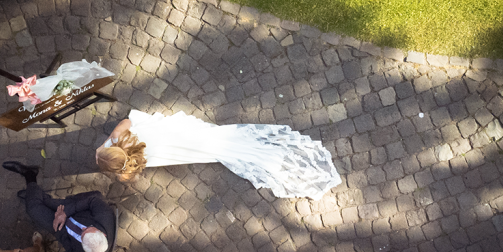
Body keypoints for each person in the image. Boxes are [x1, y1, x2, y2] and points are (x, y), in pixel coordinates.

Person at [94, 110, 342, 199]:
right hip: (176, 135)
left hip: (176, 146)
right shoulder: (119, 137)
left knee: (215, 146)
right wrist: (107, 143)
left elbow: (128, 178)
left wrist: (114, 166)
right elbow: (127, 120)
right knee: (214, 138)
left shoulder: (129, 168)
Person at [2, 162, 116, 252]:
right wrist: (65, 213)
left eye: (82, 235)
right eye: (87, 228)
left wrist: (58, 229)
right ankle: (31, 181)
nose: (82, 228)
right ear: (103, 233)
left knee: (33, 209)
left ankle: (32, 188)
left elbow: (71, 251)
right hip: (74, 210)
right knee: (44, 203)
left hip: (62, 230)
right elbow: (92, 200)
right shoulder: (105, 217)